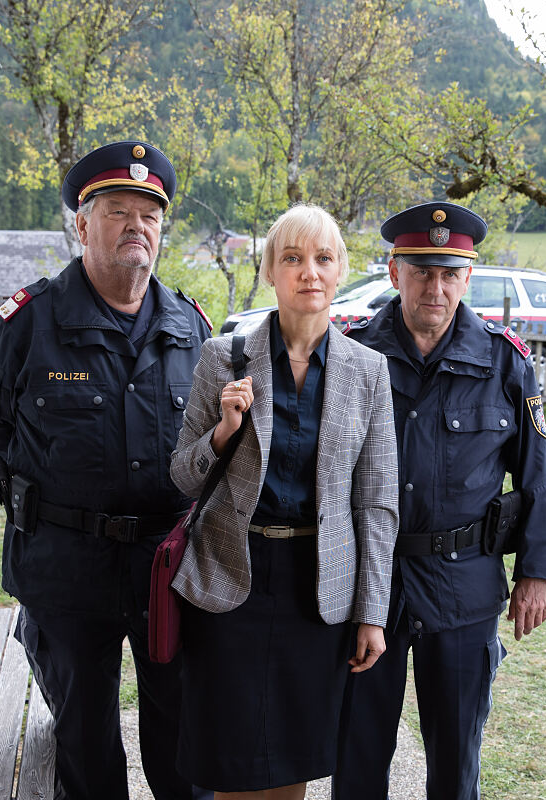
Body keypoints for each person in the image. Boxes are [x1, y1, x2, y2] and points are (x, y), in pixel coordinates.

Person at [0, 141, 212, 800]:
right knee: (85, 745)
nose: (137, 227)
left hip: (166, 569)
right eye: (118, 212)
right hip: (66, 567)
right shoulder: (27, 324)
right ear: (82, 224)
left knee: (184, 740)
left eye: (149, 215)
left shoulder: (190, 327)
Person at [334, 201, 546, 799]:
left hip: (463, 584)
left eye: (449, 273)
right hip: (369, 583)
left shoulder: (504, 362)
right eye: (421, 271)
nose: (435, 288)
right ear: (395, 272)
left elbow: (538, 474)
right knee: (356, 752)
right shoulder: (352, 354)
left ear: (468, 277)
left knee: (456, 757)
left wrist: (536, 573)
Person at [169, 204, 398, 800]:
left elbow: (377, 504)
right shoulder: (223, 358)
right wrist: (223, 432)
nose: (309, 272)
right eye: (292, 258)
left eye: (323, 258)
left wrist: (372, 612)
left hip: (316, 588)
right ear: (271, 270)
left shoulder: (368, 372)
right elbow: (184, 477)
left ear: (340, 270)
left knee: (294, 759)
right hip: (230, 578)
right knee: (231, 762)